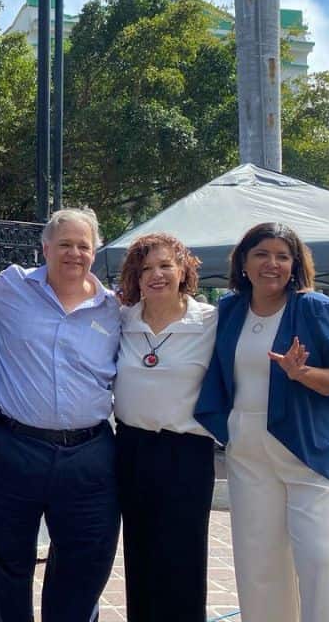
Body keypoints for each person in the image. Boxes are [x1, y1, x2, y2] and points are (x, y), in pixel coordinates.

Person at [194, 222, 329, 621]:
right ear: (243, 261)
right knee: (260, 563)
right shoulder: (229, 309)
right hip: (249, 450)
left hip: (313, 450)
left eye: (282, 256)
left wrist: (303, 374)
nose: (271, 263)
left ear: (295, 265)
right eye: (261, 254)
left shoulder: (314, 307)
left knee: (324, 560)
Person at [0, 207, 121, 622]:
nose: (74, 253)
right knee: (1, 566)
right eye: (65, 244)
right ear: (45, 247)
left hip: (89, 456)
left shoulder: (115, 309)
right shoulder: (10, 287)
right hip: (10, 447)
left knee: (86, 566)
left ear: (96, 250)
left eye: (83, 245)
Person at [114, 233, 217, 622]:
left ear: (183, 270)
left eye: (164, 266)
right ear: (135, 279)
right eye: (145, 270)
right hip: (131, 448)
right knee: (140, 553)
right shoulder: (122, 319)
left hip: (186, 452)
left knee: (184, 558)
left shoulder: (209, 320)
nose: (155, 275)